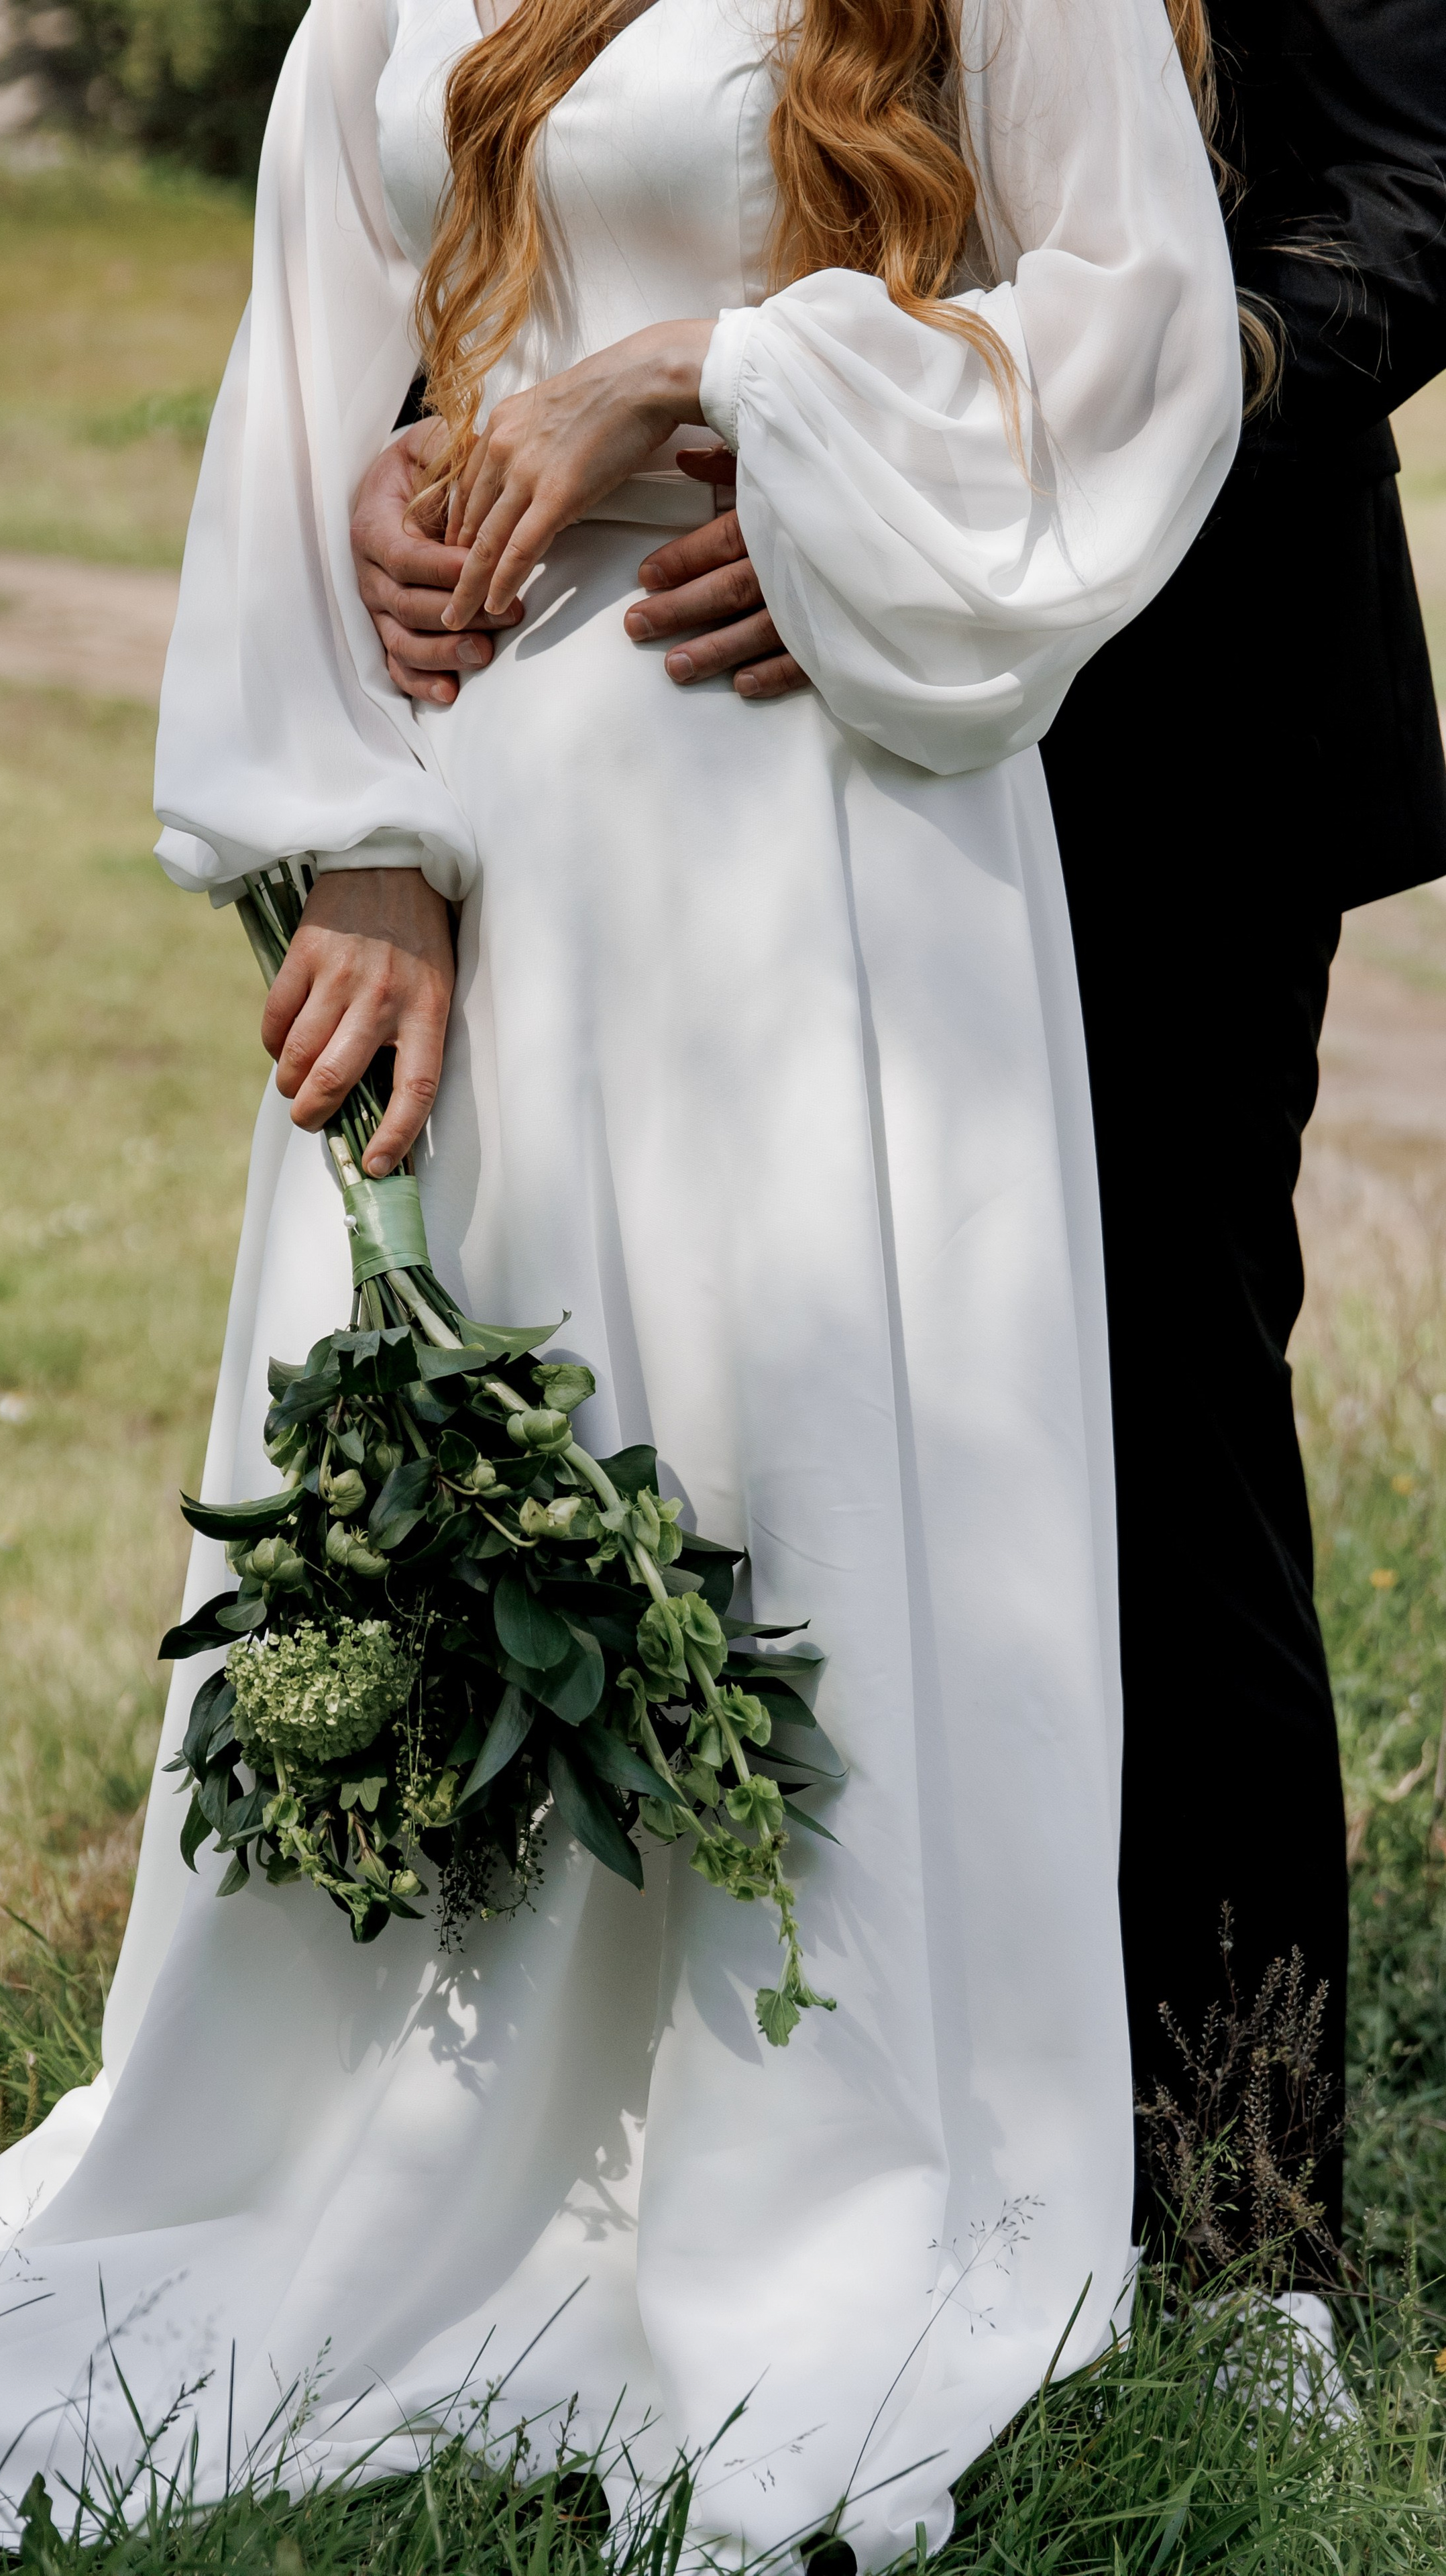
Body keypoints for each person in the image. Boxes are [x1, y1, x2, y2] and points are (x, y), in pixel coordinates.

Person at [0, 0, 1240, 2557]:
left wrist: (732, 399)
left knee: (784, 1485)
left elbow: (1137, 334)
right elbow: (316, 342)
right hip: (498, 834)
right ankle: (413, 2140)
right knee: (499, 1489)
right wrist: (359, 824)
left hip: (817, 832)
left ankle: (792, 2193)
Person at [355, 0, 1446, 2274]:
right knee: (763, 1413)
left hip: (1173, 712)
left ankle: (1246, 2228)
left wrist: (941, 483)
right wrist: (433, 443)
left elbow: (1407, 218)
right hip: (749, 714)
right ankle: (740, 2143)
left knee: (1157, 1418)